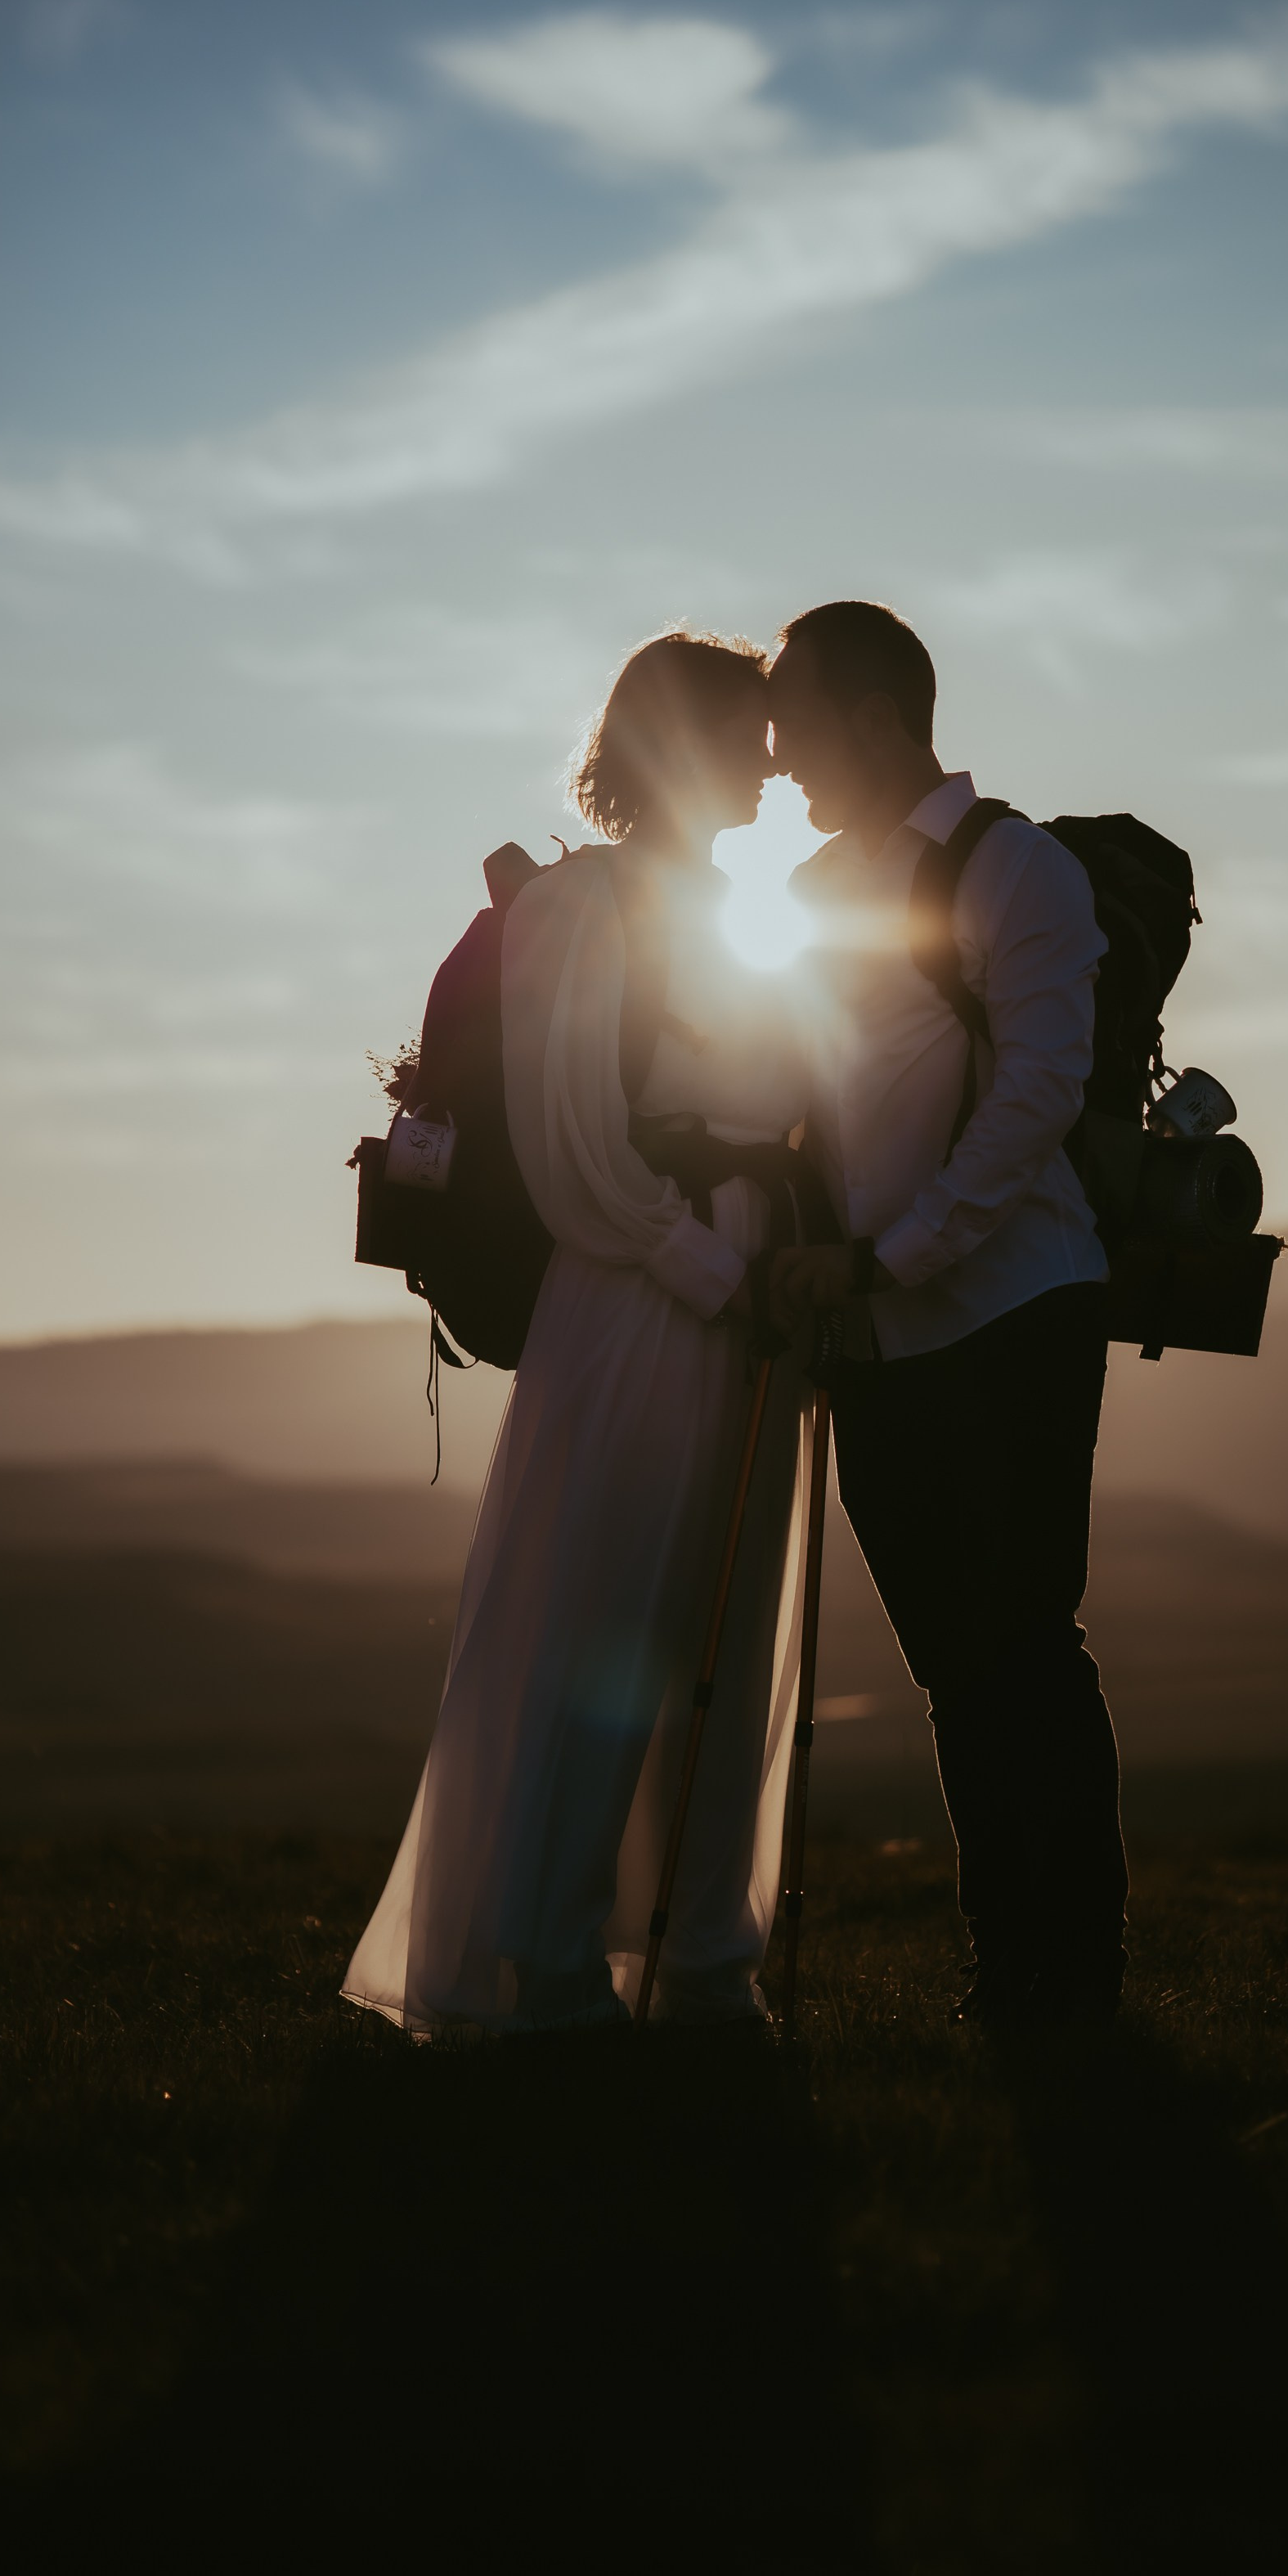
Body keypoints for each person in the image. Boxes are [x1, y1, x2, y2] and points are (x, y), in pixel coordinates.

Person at [343, 633, 819, 2037]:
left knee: (723, 1635)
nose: (770, 758)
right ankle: (545, 1957)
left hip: (757, 1295)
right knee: (602, 1619)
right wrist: (699, 1262)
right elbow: (574, 1146)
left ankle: (702, 1957)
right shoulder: (578, 906)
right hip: (635, 1302)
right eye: (745, 732)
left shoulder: (746, 913)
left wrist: (787, 1265)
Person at [765, 599, 1126, 2031]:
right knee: (952, 1671)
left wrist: (892, 1254)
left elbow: (1036, 1094)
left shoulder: (1014, 869)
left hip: (1016, 1306)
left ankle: (1074, 1977)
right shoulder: (801, 900)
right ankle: (1010, 1975)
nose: (777, 751)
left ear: (868, 715)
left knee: (1026, 1643)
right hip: (877, 1331)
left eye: (791, 718)